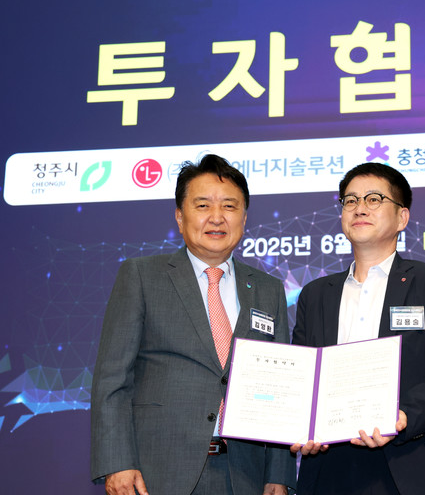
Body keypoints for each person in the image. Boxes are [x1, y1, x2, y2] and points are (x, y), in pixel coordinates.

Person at [90, 154, 295, 495]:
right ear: (180, 216)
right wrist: (117, 462)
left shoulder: (267, 288)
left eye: (229, 206)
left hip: (245, 474)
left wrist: (279, 474)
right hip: (158, 471)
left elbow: (279, 389)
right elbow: (113, 379)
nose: (217, 217)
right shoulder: (142, 276)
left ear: (244, 218)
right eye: (203, 205)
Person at [290, 162, 425, 495]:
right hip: (329, 466)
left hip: (410, 461)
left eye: (373, 199)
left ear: (402, 217)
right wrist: (300, 425)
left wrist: (403, 415)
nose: (360, 208)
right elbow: (301, 377)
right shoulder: (316, 294)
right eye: (350, 200)